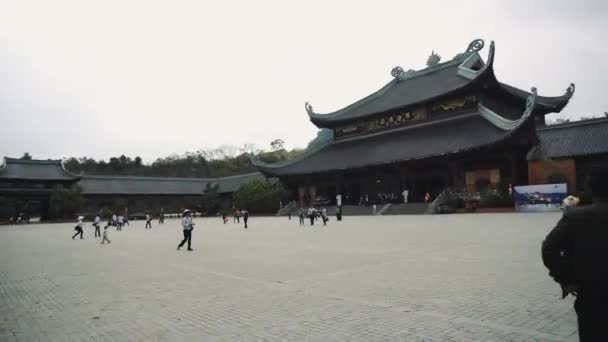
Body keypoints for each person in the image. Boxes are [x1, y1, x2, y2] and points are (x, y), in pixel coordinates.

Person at [541, 165, 608, 342]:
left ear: (590, 188)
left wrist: (566, 278)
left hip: (591, 296)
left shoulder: (575, 218)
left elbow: (549, 249)